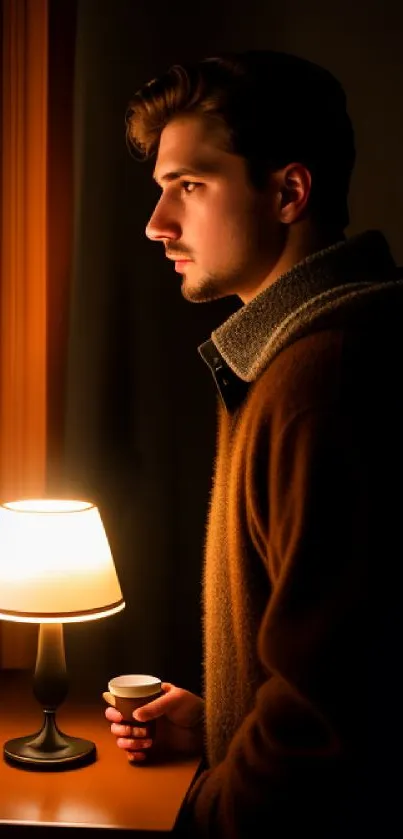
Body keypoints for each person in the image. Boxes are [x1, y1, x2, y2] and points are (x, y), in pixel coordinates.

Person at [105, 50, 403, 837]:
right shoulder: (295, 358)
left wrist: (206, 806)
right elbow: (335, 667)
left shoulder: (327, 378)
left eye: (190, 186)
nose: (155, 222)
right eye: (160, 188)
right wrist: (224, 734)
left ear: (288, 192)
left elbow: (326, 726)